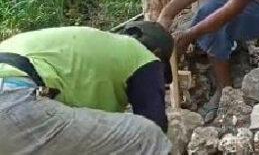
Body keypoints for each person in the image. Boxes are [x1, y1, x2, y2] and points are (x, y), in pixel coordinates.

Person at [0, 22, 173, 154]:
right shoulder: (144, 57)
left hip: (13, 96)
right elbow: (155, 122)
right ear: (157, 53)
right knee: (148, 136)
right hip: (15, 99)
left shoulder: (89, 47)